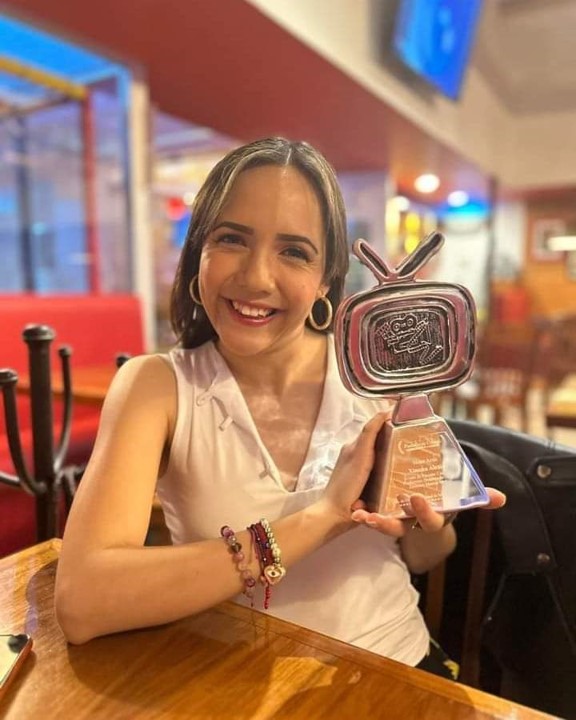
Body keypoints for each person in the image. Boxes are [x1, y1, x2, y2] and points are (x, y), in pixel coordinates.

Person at [54, 137, 505, 677]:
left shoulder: (376, 375)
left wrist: (430, 522)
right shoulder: (157, 386)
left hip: (396, 673)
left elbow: (426, 556)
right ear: (198, 253)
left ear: (325, 280)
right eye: (231, 239)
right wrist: (320, 518)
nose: (256, 278)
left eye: (293, 251)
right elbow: (84, 602)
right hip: (235, 685)